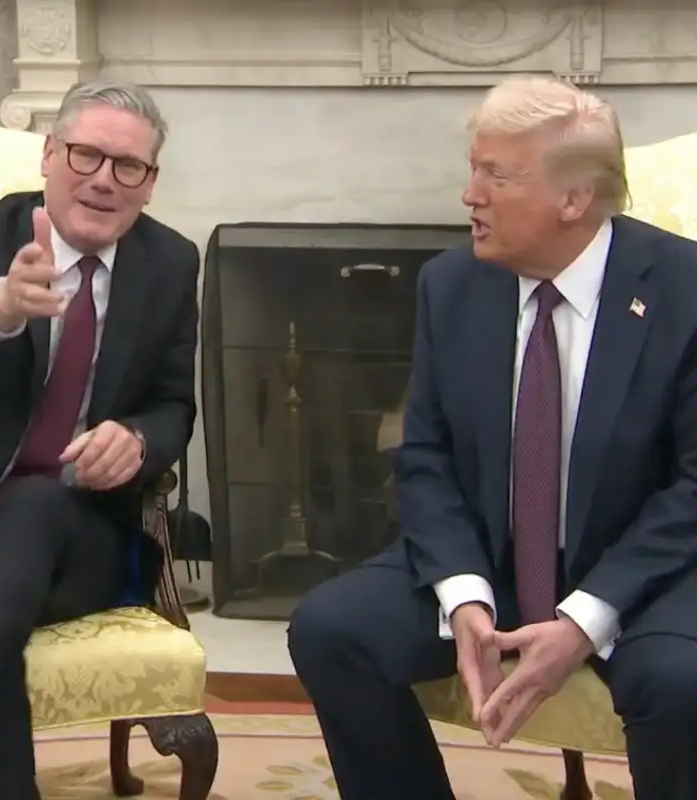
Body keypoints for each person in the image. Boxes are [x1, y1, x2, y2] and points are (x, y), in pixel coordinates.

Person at [288, 74, 697, 800]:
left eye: (495, 176)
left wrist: (583, 618)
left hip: (644, 573)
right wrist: (463, 594)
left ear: (574, 199)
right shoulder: (451, 285)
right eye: (472, 169)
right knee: (332, 629)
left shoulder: (683, 289)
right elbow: (425, 456)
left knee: (680, 683)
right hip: (493, 556)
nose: (469, 195)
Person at [0, 79, 199, 798]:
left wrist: (136, 438)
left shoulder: (171, 263)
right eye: (85, 155)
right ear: (47, 155)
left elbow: (173, 405)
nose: (103, 179)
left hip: (81, 537)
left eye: (128, 166)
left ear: (149, 184)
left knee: (30, 509)